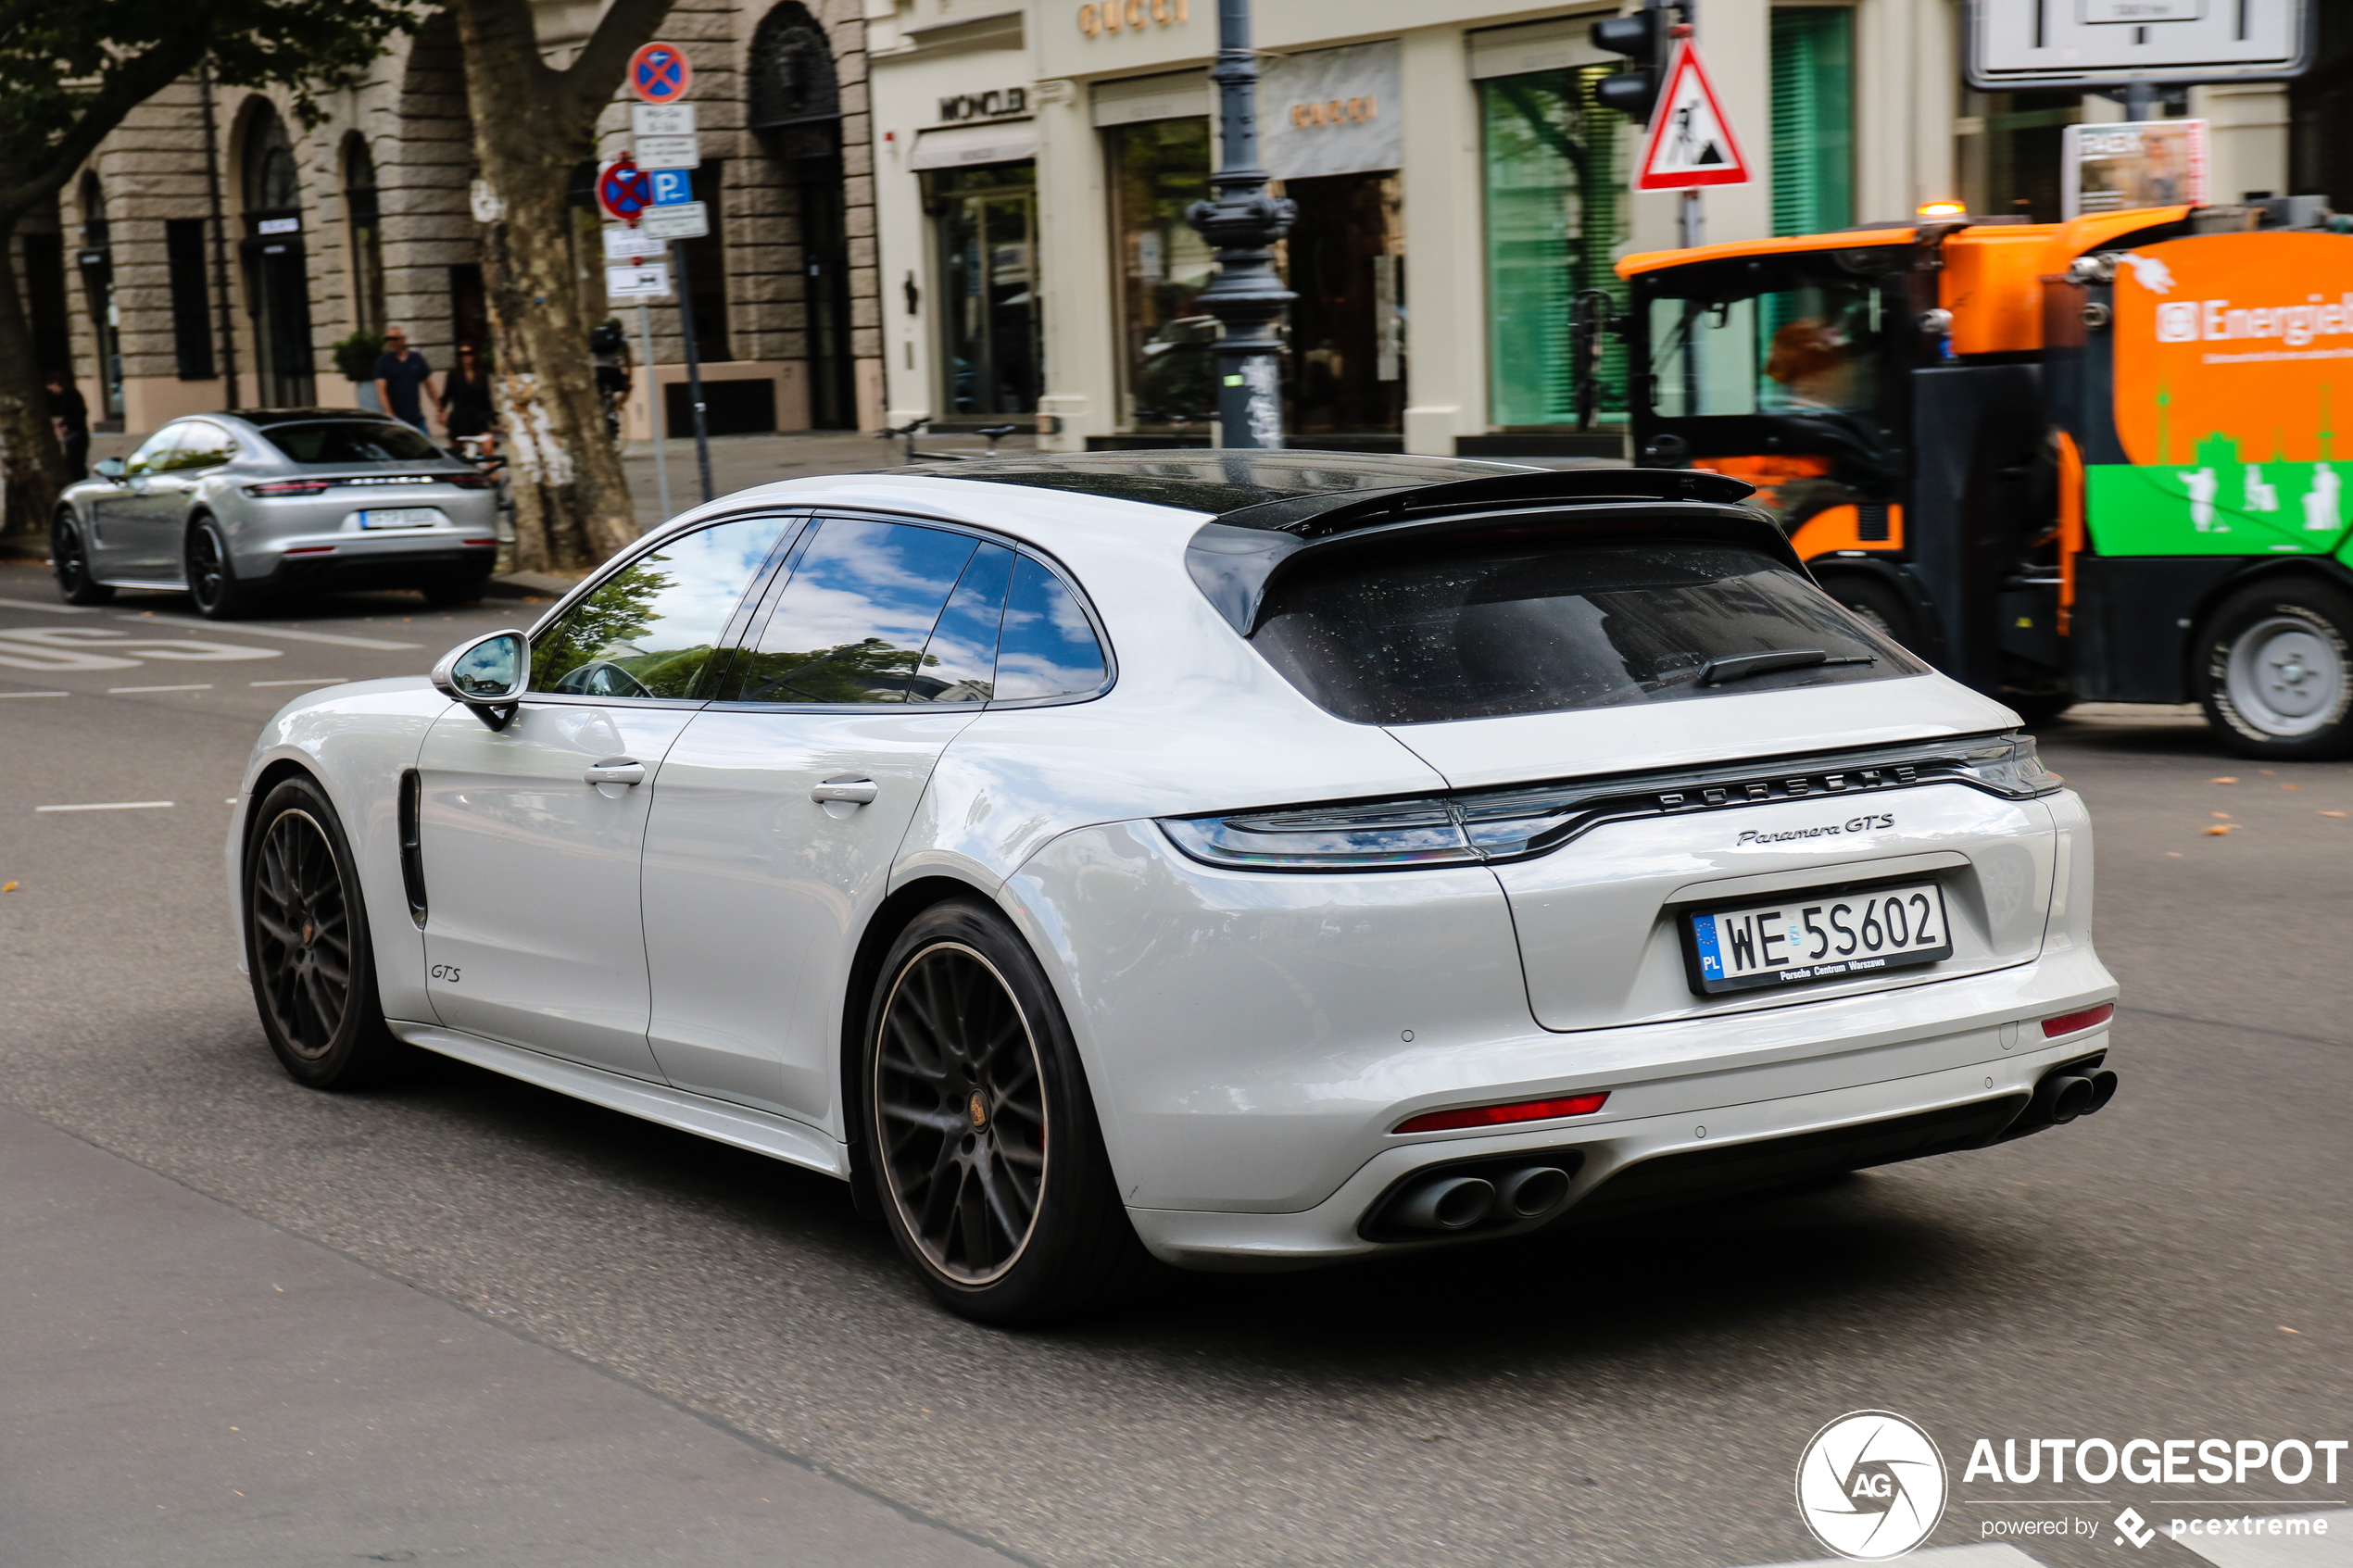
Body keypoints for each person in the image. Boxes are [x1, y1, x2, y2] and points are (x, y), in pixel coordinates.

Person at [371, 325, 443, 434]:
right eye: (388, 339)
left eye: (395, 338)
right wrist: (389, 414)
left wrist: (439, 408)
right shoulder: (383, 362)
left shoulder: (416, 358)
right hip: (396, 420)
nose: (391, 342)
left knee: (426, 448)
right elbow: (381, 391)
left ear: (403, 339)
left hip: (416, 419)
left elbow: (429, 386)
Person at [444, 342, 497, 450]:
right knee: (457, 453)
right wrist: (441, 411)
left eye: (469, 353)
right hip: (460, 418)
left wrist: (493, 420)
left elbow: (486, 398)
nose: (465, 357)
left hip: (478, 418)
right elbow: (447, 394)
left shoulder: (482, 374)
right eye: (462, 354)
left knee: (488, 447)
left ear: (474, 355)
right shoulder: (453, 374)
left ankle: (490, 466)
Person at [44, 370, 89, 481]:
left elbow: (80, 412)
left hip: (77, 434)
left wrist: (66, 425)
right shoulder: (65, 396)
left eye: (52, 388)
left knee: (76, 464)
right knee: (73, 463)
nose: (53, 392)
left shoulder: (71, 394)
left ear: (56, 384)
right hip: (73, 434)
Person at [590, 319, 632, 439]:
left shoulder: (596, 336)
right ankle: (614, 411)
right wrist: (629, 378)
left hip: (597, 371)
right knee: (627, 389)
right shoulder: (620, 338)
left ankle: (597, 414)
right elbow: (628, 359)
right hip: (613, 371)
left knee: (598, 394)